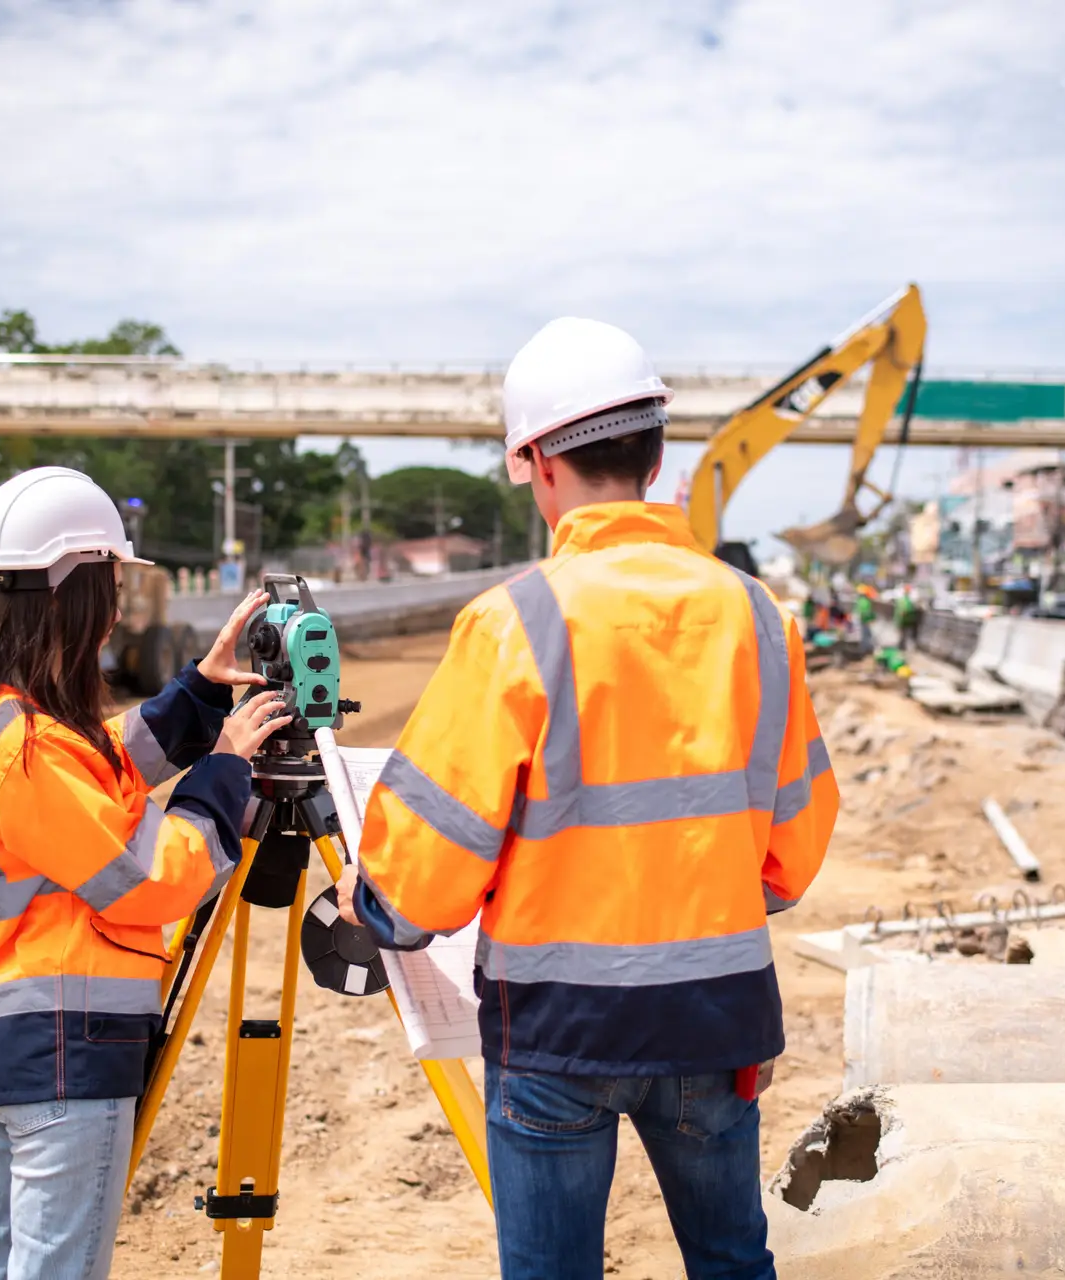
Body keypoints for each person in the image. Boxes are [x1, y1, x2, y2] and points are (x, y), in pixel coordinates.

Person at [335, 318, 839, 1280]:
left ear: (534, 463)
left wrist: (380, 913)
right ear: (656, 454)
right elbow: (798, 837)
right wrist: (720, 899)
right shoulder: (756, 615)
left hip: (558, 1030)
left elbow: (433, 851)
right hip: (718, 1015)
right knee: (734, 1261)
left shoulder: (513, 621)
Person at [0, 466, 291, 1280]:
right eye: (112, 581)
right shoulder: (30, 744)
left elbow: (98, 777)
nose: (120, 603)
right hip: (54, 1049)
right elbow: (149, 879)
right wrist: (222, 773)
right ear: (74, 591)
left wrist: (196, 692)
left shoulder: (1, 716)